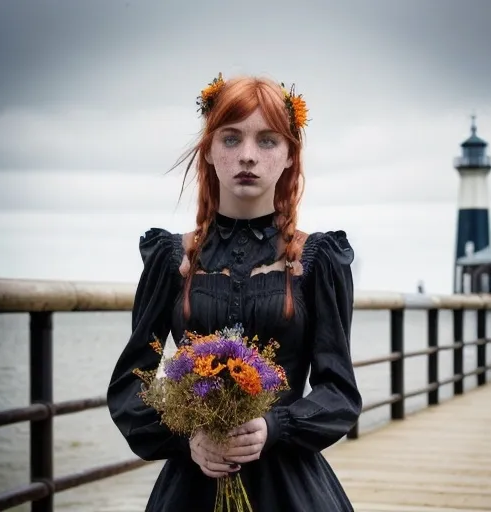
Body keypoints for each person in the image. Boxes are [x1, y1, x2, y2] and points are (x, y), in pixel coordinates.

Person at [107, 72, 362, 511]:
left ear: (288, 155)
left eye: (267, 141)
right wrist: (191, 436)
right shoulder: (173, 258)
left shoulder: (317, 260)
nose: (247, 156)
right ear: (208, 149)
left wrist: (274, 426)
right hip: (192, 483)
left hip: (290, 483)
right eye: (230, 139)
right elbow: (131, 385)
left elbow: (339, 393)